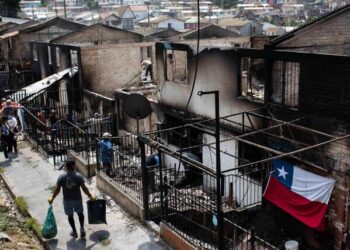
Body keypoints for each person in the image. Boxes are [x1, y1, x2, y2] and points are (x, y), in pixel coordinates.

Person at [48, 160, 95, 238]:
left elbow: (57, 190)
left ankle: (74, 231)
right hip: (77, 199)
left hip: (67, 201)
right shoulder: (78, 176)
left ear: (66, 167)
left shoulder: (61, 177)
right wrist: (90, 196)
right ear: (74, 166)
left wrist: (52, 198)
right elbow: (84, 188)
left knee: (70, 216)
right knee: (80, 214)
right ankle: (82, 229)